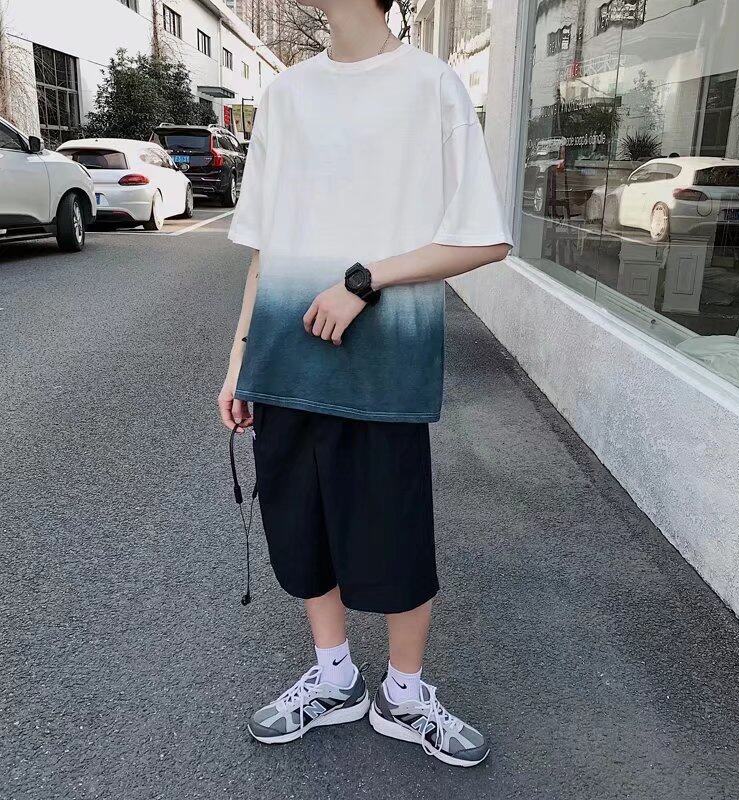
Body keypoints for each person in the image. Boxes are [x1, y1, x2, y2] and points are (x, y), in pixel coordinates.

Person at [217, 0, 511, 769]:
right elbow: (265, 249)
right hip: (285, 362)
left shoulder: (432, 86)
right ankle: (336, 678)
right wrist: (241, 361)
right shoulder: (287, 96)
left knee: (396, 538)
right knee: (300, 531)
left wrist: (364, 279)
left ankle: (404, 695)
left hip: (383, 365)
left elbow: (484, 239)